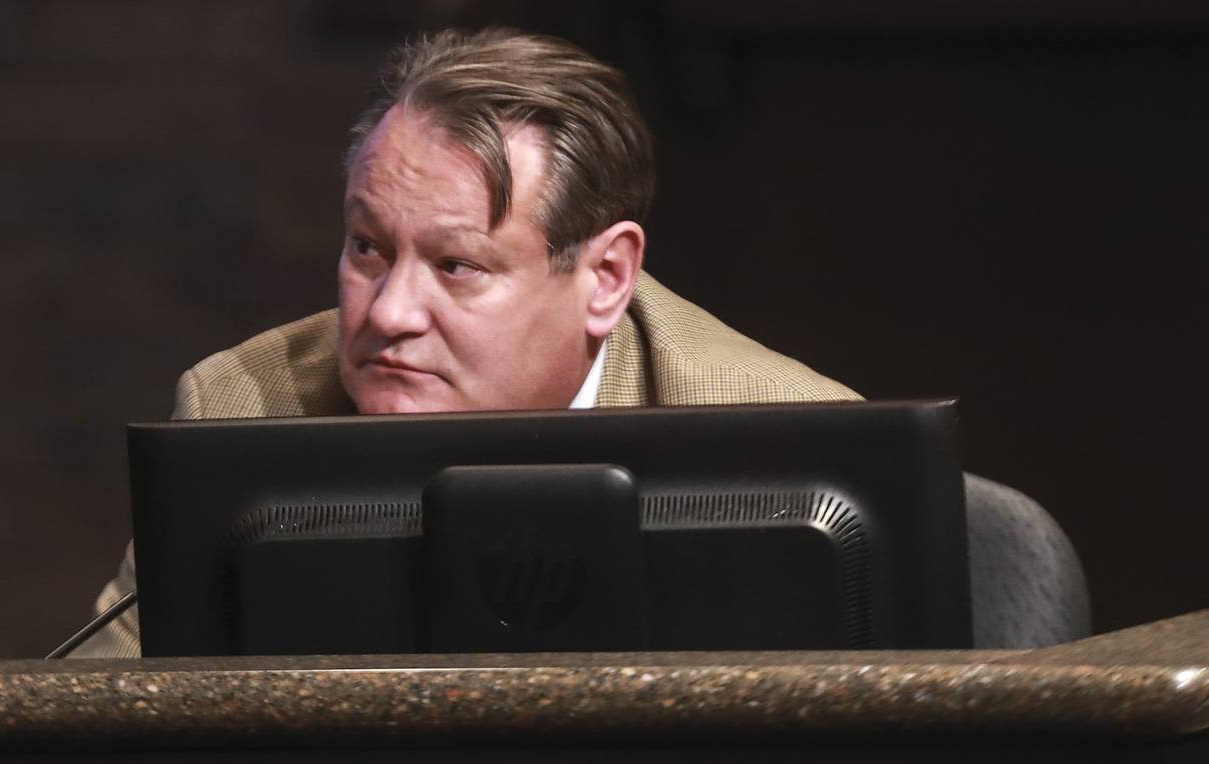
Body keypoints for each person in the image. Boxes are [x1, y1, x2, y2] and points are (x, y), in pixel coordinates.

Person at [76, 27, 859, 657]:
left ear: (607, 278)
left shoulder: (791, 439)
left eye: (457, 266)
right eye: (368, 249)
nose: (390, 314)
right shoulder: (240, 409)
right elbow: (95, 732)